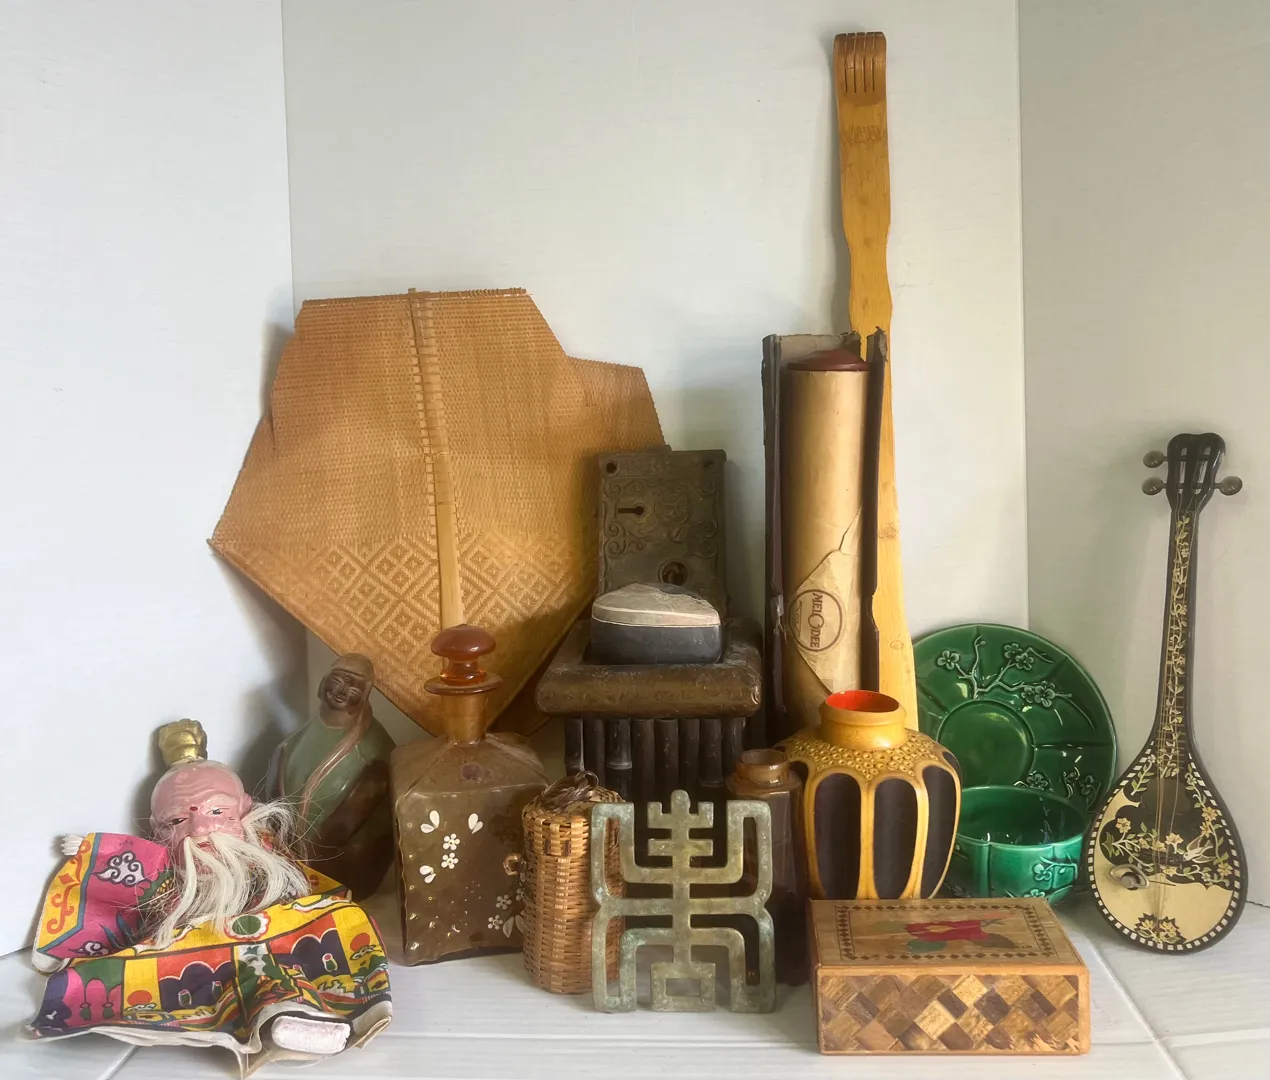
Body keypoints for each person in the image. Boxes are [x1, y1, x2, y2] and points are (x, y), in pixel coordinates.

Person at [28, 719, 391, 1066]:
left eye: (217, 811)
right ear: (157, 829)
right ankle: (275, 1021)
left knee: (341, 921)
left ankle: (303, 1013)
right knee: (176, 971)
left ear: (246, 809)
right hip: (205, 944)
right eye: (177, 820)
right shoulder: (170, 869)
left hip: (276, 931)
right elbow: (133, 872)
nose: (201, 829)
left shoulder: (263, 852)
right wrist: (97, 852)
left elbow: (302, 892)